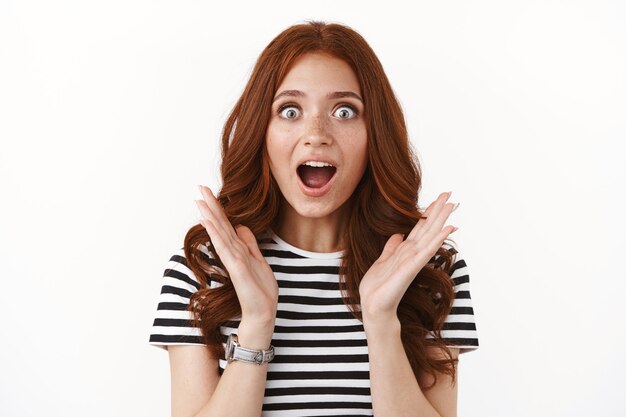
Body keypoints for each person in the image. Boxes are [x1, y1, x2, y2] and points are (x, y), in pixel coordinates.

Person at [149, 20, 479, 417]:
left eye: (344, 110)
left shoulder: (429, 273)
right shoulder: (203, 271)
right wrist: (256, 321)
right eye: (290, 110)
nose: (316, 133)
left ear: (376, 133)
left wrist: (380, 321)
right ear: (262, 132)